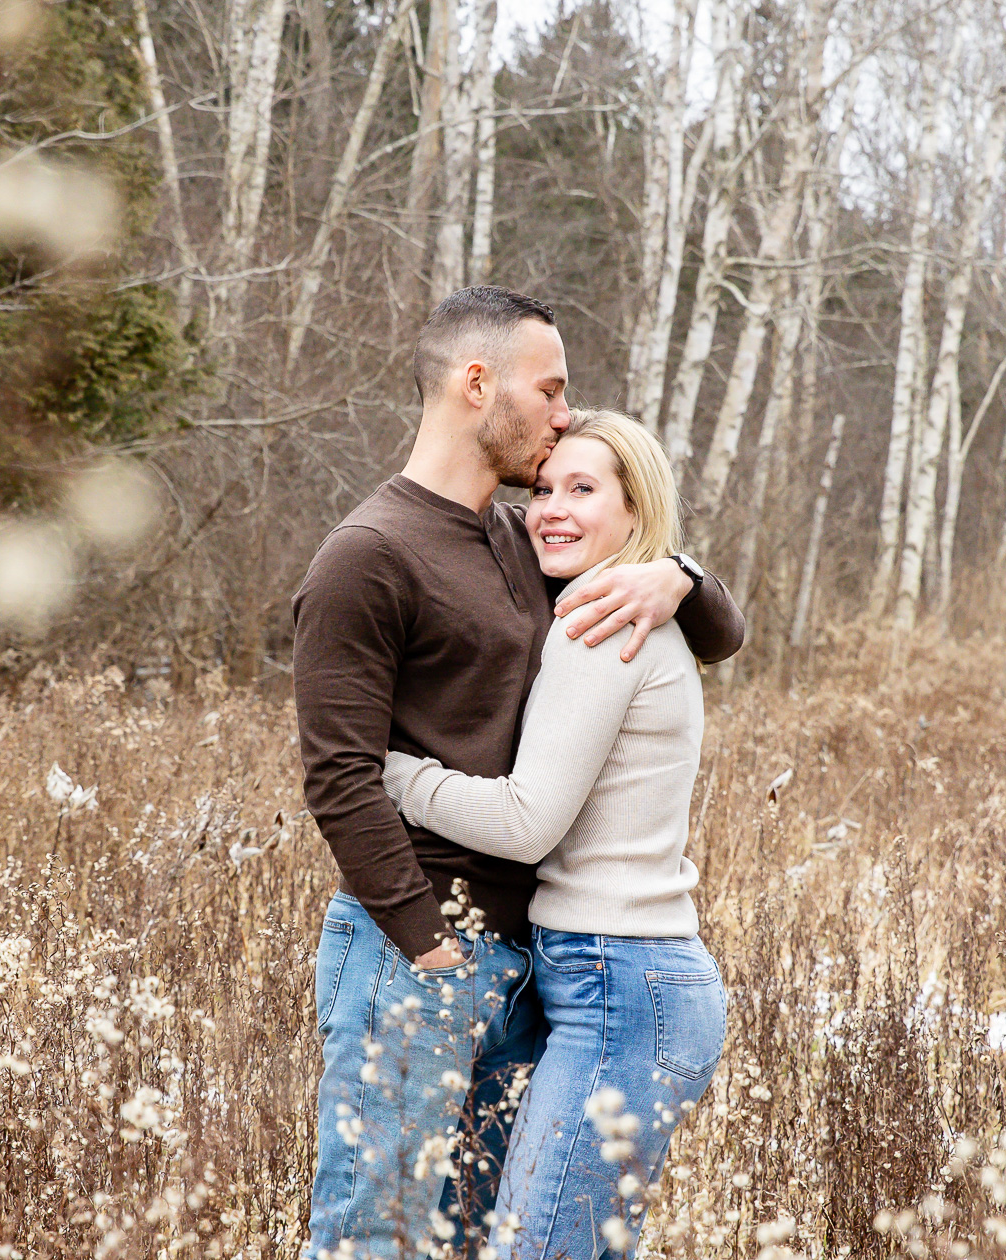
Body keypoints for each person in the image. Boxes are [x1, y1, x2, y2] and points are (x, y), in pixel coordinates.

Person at [292, 287, 743, 1259]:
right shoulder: (367, 556)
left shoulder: (515, 540)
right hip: (415, 957)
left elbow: (719, 634)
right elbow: (338, 777)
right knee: (380, 1235)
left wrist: (683, 576)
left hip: (527, 967)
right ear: (476, 384)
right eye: (551, 389)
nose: (564, 413)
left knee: (472, 1239)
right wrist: (424, 943)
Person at [381, 409, 727, 1260]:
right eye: (543, 489)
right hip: (628, 981)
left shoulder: (596, 623)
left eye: (583, 489)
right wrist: (678, 572)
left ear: (636, 511)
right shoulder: (627, 605)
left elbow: (525, 823)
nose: (553, 509)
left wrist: (392, 772)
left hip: (621, 984)